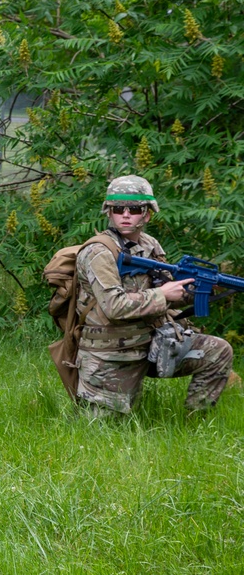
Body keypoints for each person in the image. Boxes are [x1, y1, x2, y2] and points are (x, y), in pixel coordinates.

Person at [74, 175, 234, 414]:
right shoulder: (98, 252)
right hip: (112, 353)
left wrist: (197, 289)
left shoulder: (150, 245)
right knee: (101, 432)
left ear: (147, 214)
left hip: (154, 342)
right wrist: (162, 294)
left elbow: (169, 290)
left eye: (135, 209)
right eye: (118, 208)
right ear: (109, 213)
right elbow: (114, 306)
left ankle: (196, 424)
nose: (125, 215)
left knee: (219, 350)